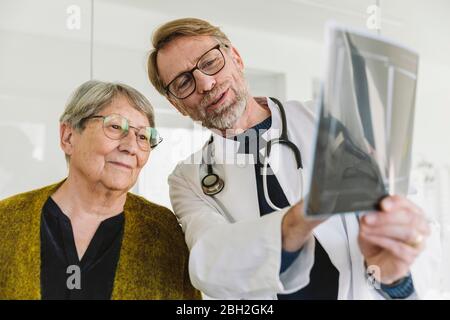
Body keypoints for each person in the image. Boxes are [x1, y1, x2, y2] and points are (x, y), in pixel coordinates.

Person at [147, 18, 439, 299]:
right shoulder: (187, 179)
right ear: (177, 105)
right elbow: (209, 265)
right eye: (184, 82)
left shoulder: (337, 121)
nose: (206, 84)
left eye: (210, 62)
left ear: (236, 57)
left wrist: (394, 279)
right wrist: (301, 217)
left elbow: (414, 222)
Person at [0, 80, 201, 300]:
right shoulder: (6, 219)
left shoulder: (165, 232)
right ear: (68, 137)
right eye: (116, 127)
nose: (131, 147)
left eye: (143, 136)